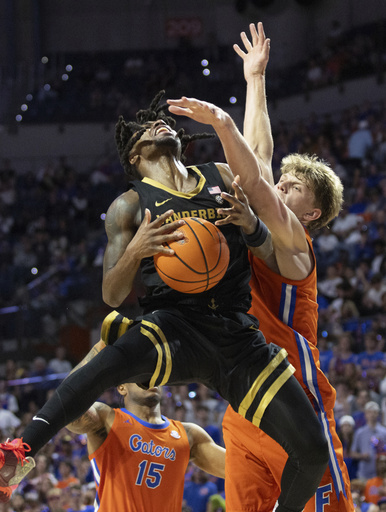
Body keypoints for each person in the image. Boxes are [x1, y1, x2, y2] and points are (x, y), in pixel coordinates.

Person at [0, 90, 329, 511]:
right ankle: (16, 457)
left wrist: (251, 227)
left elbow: (269, 255)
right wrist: (136, 251)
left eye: (163, 123)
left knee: (313, 450)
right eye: (144, 129)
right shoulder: (129, 206)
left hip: (236, 335)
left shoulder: (223, 176)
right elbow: (112, 295)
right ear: (134, 156)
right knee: (105, 364)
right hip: (175, 326)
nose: (158, 124)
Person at [168, 23, 352, 512]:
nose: (282, 185)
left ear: (311, 212)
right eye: (283, 181)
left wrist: (224, 125)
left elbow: (255, 177)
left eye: (294, 187)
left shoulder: (295, 243)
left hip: (297, 401)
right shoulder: (264, 226)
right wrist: (255, 80)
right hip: (246, 404)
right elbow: (261, 160)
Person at [66, 382, 225, 512]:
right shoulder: (106, 420)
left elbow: (237, 468)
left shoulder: (189, 434)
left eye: (154, 372)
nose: (149, 377)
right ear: (122, 387)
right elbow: (67, 408)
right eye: (140, 372)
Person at [351, 401, 386, 480]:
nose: (372, 414)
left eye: (375, 412)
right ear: (365, 414)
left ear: (378, 414)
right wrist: (362, 456)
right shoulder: (359, 432)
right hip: (364, 474)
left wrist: (383, 448)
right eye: (369, 412)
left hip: (382, 474)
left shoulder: (384, 432)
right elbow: (352, 453)